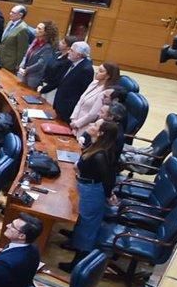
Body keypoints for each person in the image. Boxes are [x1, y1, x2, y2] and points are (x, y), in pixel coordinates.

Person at [61, 120, 120, 271]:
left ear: (101, 133)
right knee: (82, 223)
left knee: (87, 228)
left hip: (92, 191)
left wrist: (108, 195)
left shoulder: (101, 154)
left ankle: (78, 265)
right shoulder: (97, 146)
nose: (91, 125)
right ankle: (76, 246)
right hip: (86, 186)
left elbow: (108, 178)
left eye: (95, 126)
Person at [45, 40, 95, 123]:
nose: (68, 52)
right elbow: (60, 80)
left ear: (79, 55)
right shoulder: (70, 61)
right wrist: (44, 89)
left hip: (68, 110)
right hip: (59, 104)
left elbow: (82, 93)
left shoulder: (86, 70)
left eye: (72, 50)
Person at [68, 60, 120, 132]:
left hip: (86, 127)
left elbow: (93, 115)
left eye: (101, 71)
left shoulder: (105, 92)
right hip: (74, 122)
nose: (97, 72)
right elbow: (80, 101)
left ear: (108, 76)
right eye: (98, 70)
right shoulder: (94, 83)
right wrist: (73, 119)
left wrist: (77, 124)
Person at [17, 21, 61, 90]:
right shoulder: (35, 40)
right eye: (37, 27)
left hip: (33, 77)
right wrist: (22, 65)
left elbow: (41, 64)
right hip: (23, 73)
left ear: (46, 33)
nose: (35, 30)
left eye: (39, 29)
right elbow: (27, 54)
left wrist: (27, 70)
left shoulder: (48, 47)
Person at [0, 4, 33, 72]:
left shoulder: (23, 29)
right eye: (11, 11)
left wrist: (17, 65)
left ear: (20, 15)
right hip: (1, 58)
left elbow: (22, 50)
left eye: (13, 12)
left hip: (10, 63)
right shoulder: (10, 23)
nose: (10, 14)